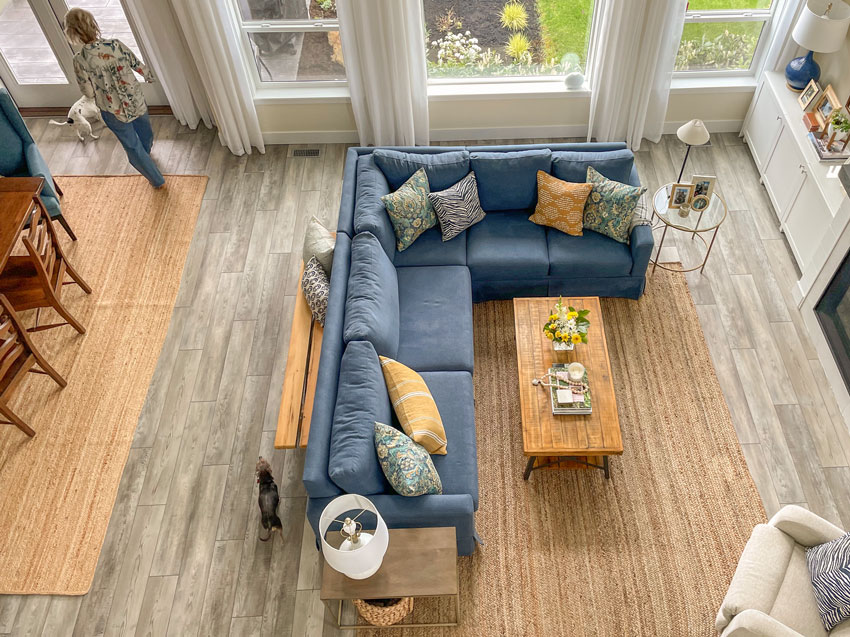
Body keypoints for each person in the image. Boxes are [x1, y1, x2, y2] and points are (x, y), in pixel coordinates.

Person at [64, 8, 165, 189]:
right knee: (145, 130)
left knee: (131, 145)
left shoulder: (80, 60)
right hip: (135, 99)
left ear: (72, 33)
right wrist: (148, 76)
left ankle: (156, 179)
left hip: (111, 109)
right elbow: (136, 63)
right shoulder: (115, 44)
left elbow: (87, 90)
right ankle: (146, 152)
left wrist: (93, 91)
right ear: (93, 24)